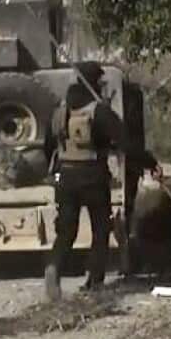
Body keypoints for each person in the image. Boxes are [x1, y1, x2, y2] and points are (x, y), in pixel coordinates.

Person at [43, 61, 123, 301]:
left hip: (64, 177)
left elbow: (49, 147)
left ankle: (53, 267)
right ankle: (94, 281)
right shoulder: (99, 111)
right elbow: (123, 140)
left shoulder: (60, 110)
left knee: (66, 230)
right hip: (94, 177)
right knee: (100, 229)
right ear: (96, 83)